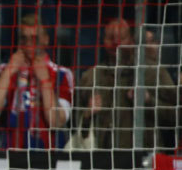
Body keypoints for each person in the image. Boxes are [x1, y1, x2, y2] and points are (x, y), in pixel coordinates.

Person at [73, 18, 179, 151]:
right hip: (101, 161)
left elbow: (177, 116)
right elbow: (73, 126)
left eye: (121, 38)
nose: (115, 44)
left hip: (145, 160)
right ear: (102, 41)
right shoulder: (90, 77)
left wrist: (149, 101)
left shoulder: (154, 73)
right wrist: (87, 115)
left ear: (132, 41)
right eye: (110, 38)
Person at [0, 13, 74, 149]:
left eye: (34, 39)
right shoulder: (4, 70)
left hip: (49, 157)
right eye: (24, 39)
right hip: (11, 153)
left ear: (46, 40)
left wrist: (45, 81)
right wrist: (9, 71)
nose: (29, 44)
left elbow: (56, 122)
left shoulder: (62, 74)